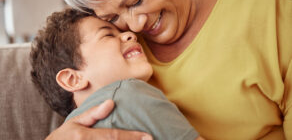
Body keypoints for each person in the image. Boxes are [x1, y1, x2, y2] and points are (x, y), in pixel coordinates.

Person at [49, 0, 292, 139]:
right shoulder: (116, 57)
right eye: (112, 17)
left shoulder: (263, 5)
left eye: (136, 1)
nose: (134, 26)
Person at [30, 8, 201, 140]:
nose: (130, 35)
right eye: (107, 34)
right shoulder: (130, 94)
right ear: (73, 79)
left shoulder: (67, 132)